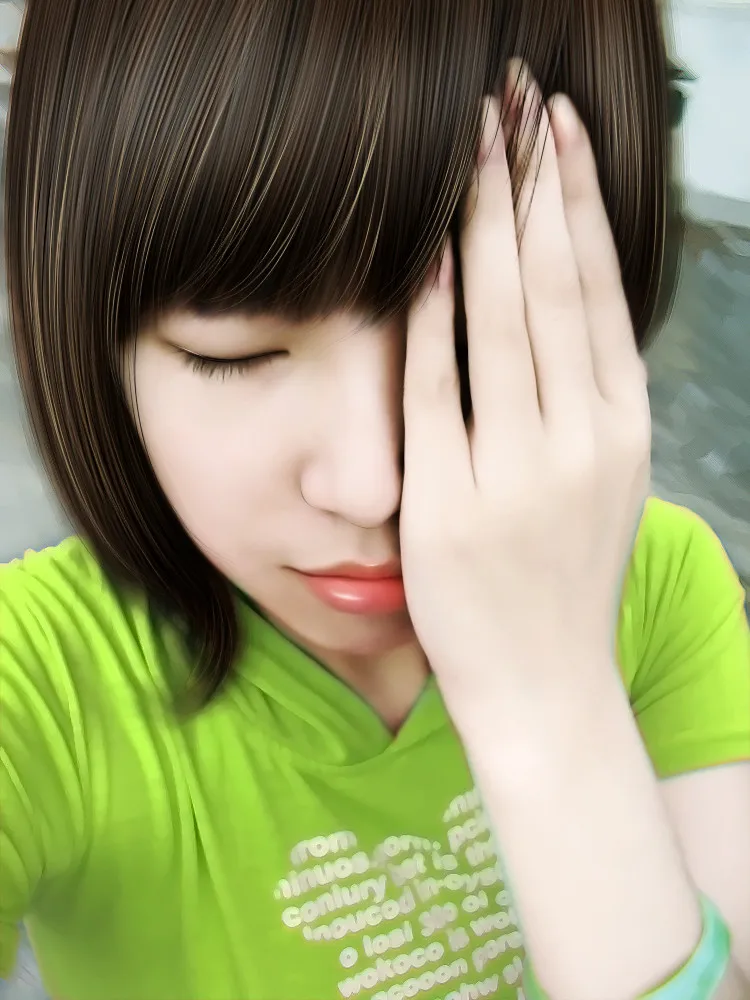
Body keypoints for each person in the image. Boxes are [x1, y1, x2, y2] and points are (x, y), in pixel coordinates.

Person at [2, 1, 749, 999]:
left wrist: (551, 699)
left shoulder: (660, 588)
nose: (373, 484)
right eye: (237, 353)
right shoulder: (39, 680)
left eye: (481, 341)